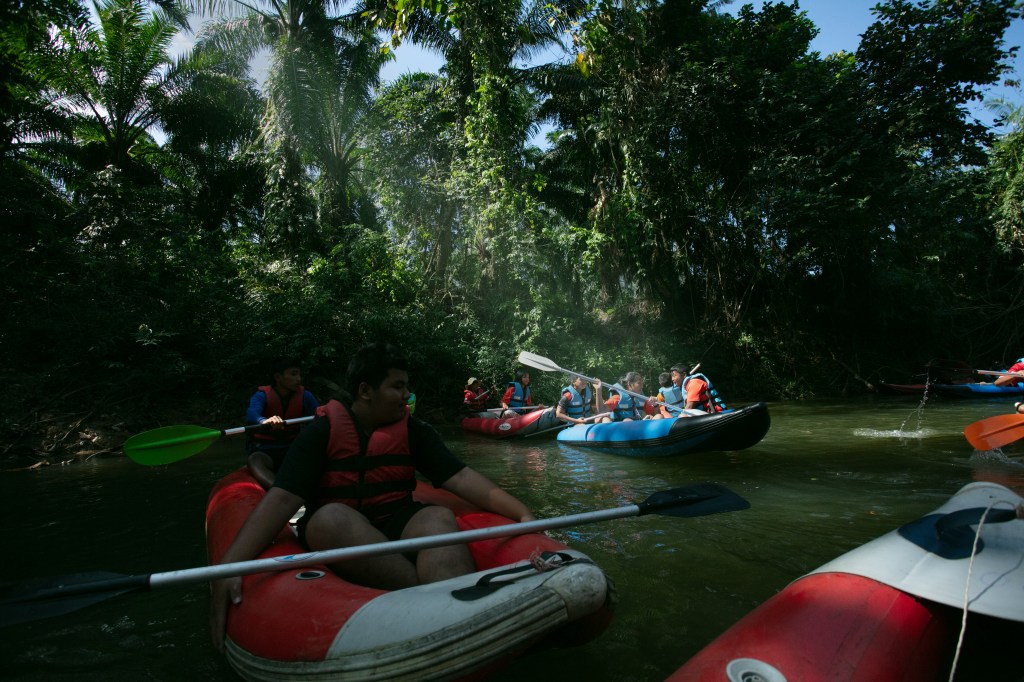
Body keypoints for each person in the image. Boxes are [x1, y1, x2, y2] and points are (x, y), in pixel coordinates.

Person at [210, 343, 536, 651]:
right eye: (397, 387)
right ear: (366, 391)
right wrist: (231, 565)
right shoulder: (322, 432)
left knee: (437, 516)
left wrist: (523, 516)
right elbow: (282, 499)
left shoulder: (413, 431)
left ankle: (461, 614)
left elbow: (460, 477)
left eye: (406, 386)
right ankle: (432, 603)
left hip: (394, 520)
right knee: (331, 518)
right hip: (341, 527)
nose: (406, 395)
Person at [244, 358, 320, 489]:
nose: (299, 379)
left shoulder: (305, 396)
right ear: (278, 377)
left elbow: (318, 415)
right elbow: (252, 414)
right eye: (293, 374)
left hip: (292, 448)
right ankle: (278, 490)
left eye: (299, 374)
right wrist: (264, 421)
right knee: (255, 460)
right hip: (265, 450)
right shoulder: (262, 395)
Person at [596, 372, 661, 422]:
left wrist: (655, 405)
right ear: (629, 384)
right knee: (627, 421)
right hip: (621, 430)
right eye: (639, 383)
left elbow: (655, 414)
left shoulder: (641, 397)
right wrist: (598, 390)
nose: (642, 386)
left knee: (659, 416)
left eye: (642, 383)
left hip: (638, 427)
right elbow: (602, 411)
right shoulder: (617, 397)